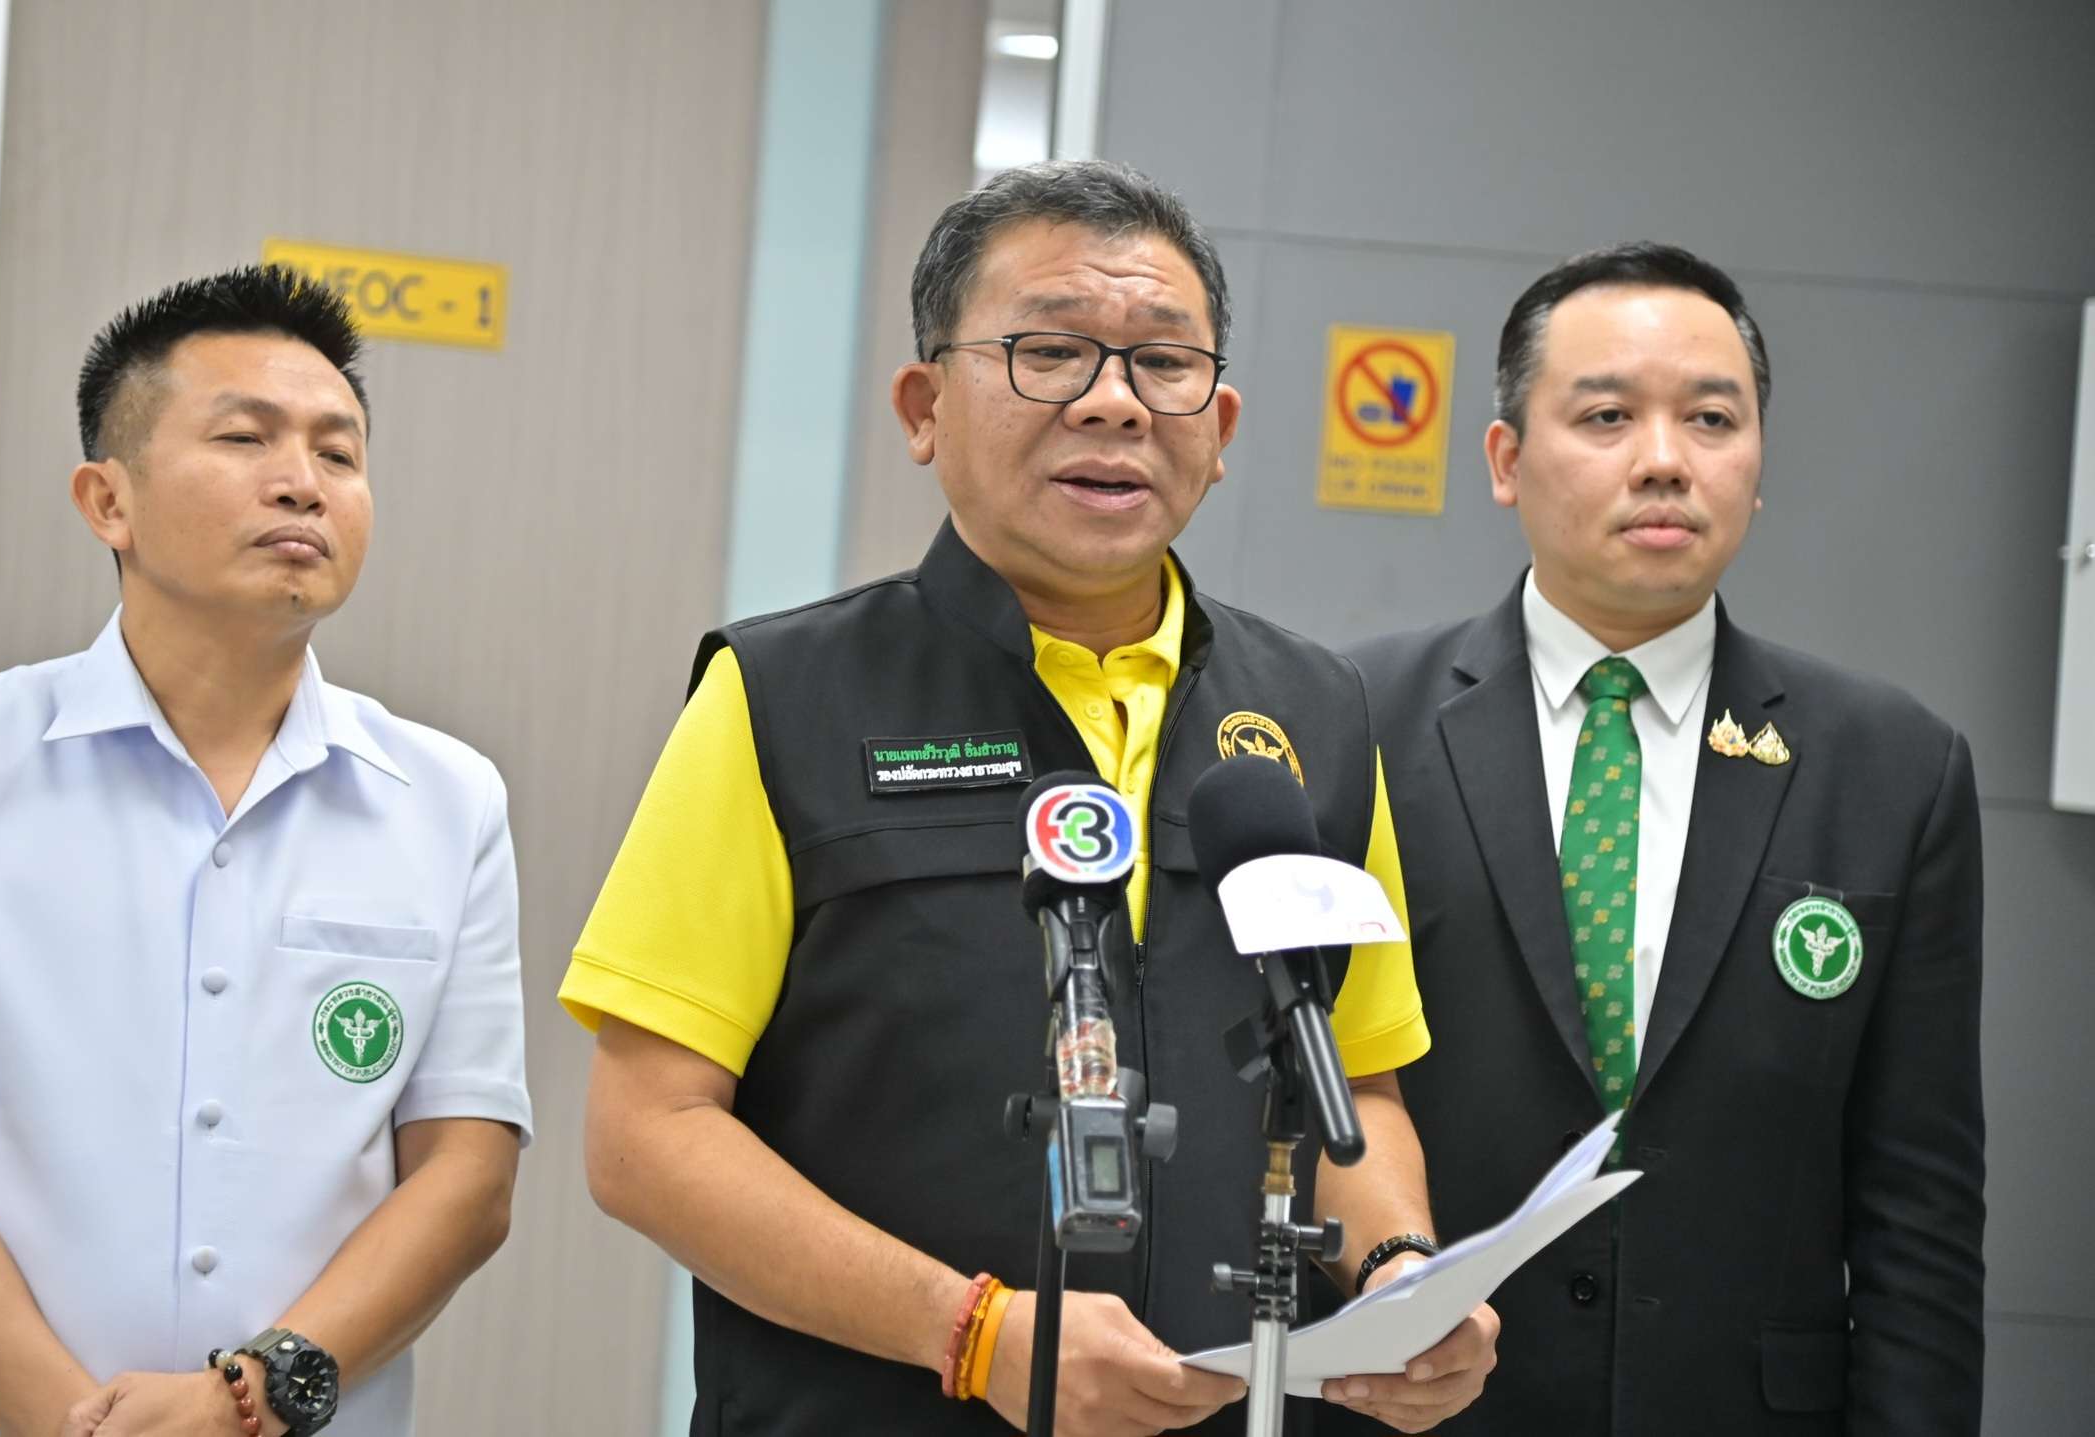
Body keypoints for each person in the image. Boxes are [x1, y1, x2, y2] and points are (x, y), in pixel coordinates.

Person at [563, 160, 1497, 1436]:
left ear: (1220, 427)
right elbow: (647, 1133)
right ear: (924, 406)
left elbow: (1358, 1088)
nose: (1115, 402)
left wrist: (1398, 1273)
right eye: (1050, 352)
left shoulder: (1312, 716)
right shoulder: (783, 696)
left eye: (1163, 363)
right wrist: (973, 1335)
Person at [0, 265, 531, 1436]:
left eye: (339, 453)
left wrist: (252, 1399)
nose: (303, 481)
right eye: (245, 437)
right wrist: (84, 1427)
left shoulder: (447, 801)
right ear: (107, 502)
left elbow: (466, 1176)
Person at [1340, 242, 1985, 1433]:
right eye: (1606, 416)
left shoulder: (1894, 767)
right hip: (1419, 1411)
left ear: (1758, 464)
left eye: (1711, 419)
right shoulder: (1353, 724)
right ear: (1505, 460)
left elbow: (1922, 1203)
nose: (1664, 461)